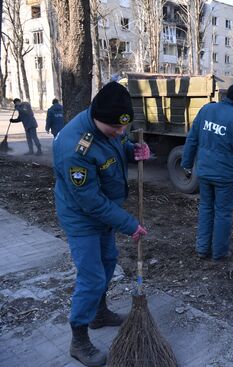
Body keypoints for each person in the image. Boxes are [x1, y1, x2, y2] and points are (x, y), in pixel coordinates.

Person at [52, 81, 150, 367]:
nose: (121, 133)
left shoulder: (110, 124)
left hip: (105, 212)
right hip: (82, 216)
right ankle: (78, 339)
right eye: (116, 129)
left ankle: (99, 313)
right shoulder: (75, 148)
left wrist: (134, 149)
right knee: (92, 276)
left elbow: (118, 145)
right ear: (97, 118)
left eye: (124, 128)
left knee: (108, 261)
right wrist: (129, 223)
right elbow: (90, 201)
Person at [181, 84, 233, 262]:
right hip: (226, 176)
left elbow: (192, 139)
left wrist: (186, 164)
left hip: (205, 172)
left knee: (206, 209)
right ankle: (219, 253)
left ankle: (202, 249)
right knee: (223, 213)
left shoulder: (206, 110)